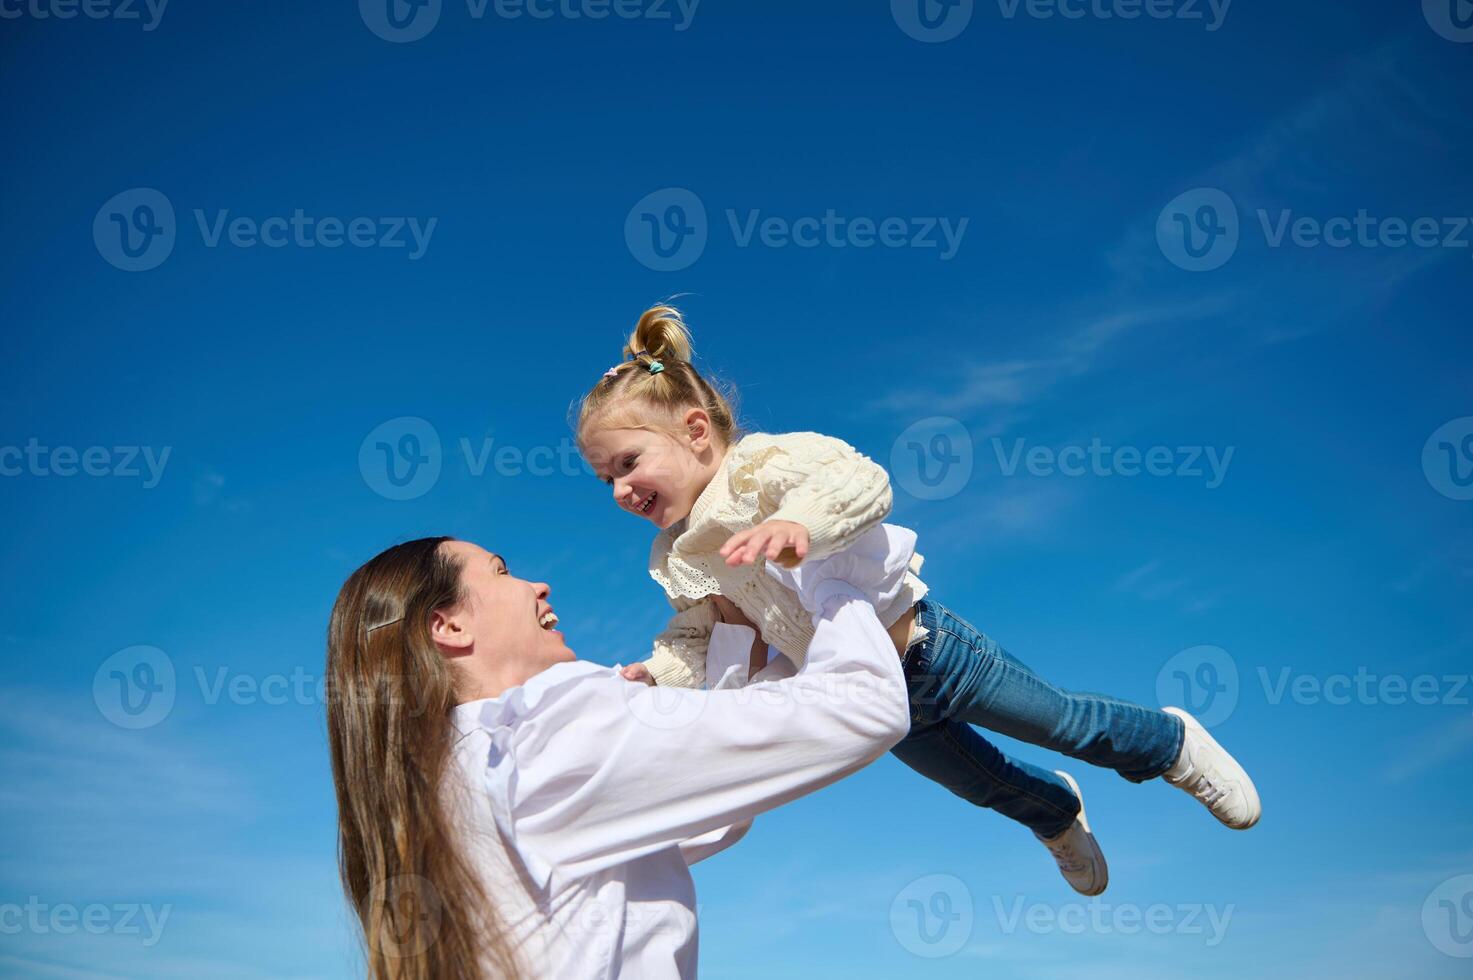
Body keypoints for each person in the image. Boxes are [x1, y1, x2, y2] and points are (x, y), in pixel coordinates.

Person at [575, 304, 1263, 898]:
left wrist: (801, 525)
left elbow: (858, 481)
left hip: (931, 652)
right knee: (982, 784)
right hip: (871, 699)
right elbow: (697, 632)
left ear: (696, 431)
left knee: (1062, 722)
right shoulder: (675, 556)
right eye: (605, 478)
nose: (618, 490)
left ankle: (1167, 743)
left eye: (628, 463)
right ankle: (1053, 813)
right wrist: (659, 673)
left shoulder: (763, 469)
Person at [325, 530, 915, 979]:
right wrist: (828, 566)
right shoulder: (551, 731)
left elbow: (713, 808)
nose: (538, 585)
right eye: (500, 572)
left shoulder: (452, 773)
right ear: (448, 626)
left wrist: (737, 632)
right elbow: (865, 707)